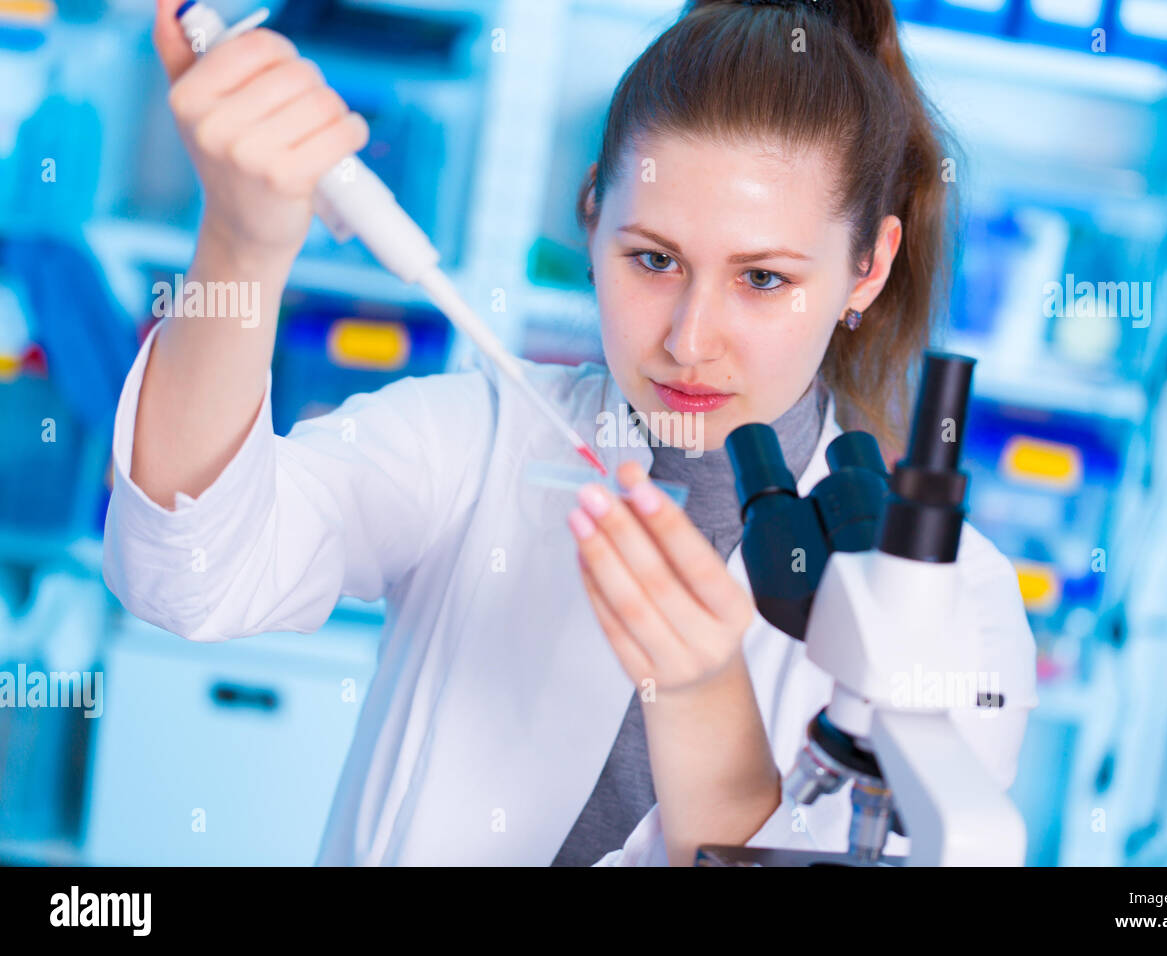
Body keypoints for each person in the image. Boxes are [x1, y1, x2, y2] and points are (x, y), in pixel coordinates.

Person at [104, 0, 1039, 866]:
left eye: (763, 280)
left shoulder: (955, 603)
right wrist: (242, 240)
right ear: (592, 215)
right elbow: (189, 577)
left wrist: (704, 690)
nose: (688, 340)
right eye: (653, 259)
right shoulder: (476, 437)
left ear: (868, 269)